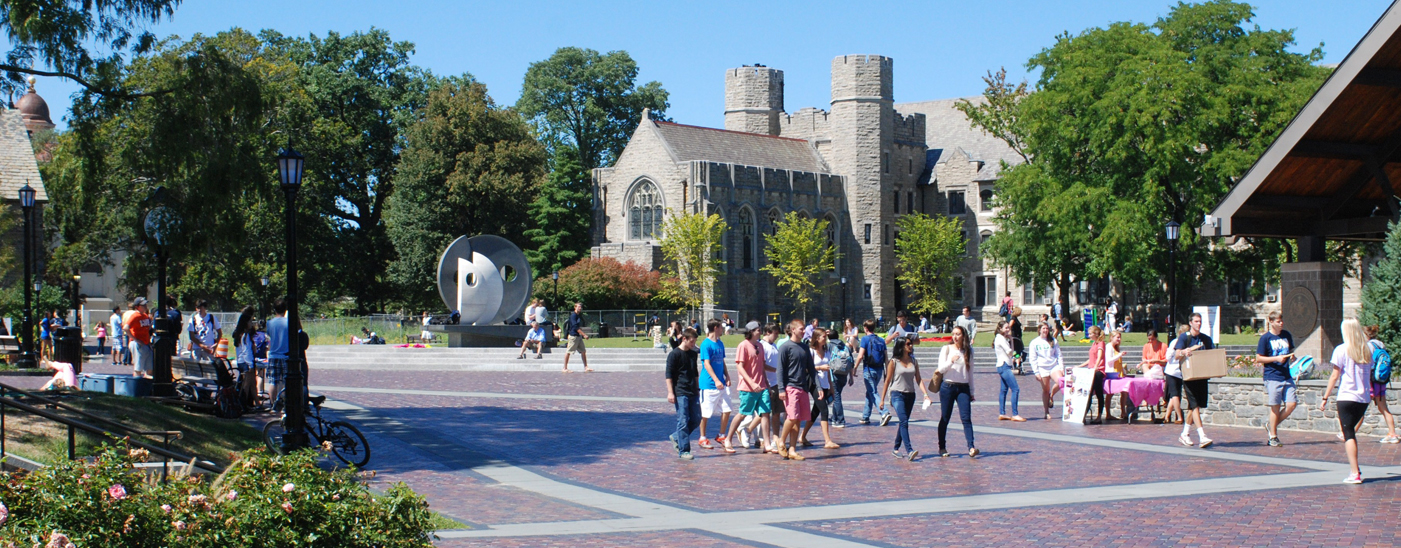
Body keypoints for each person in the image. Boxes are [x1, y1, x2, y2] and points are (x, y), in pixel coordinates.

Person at [1320, 319, 1374, 484]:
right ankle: (1355, 469)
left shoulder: (1341, 350)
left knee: (1348, 434)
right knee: (1350, 431)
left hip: (1346, 396)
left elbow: (1335, 376)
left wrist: (1325, 397)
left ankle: (1354, 472)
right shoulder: (1367, 349)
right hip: (1363, 398)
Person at [880, 337, 931, 460]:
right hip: (897, 394)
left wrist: (925, 394)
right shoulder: (894, 362)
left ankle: (896, 448)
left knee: (903, 422)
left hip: (910, 395)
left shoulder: (914, 361)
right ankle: (909, 450)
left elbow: (918, 379)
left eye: (911, 344)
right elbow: (887, 381)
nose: (911, 346)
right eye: (908, 344)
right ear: (902, 346)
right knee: (904, 421)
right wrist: (882, 400)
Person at [777, 319, 820, 461]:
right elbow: (780, 370)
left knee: (798, 420)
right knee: (792, 416)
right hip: (790, 386)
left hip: (803, 387)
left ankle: (793, 449)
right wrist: (781, 389)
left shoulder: (804, 347)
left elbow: (812, 369)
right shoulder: (785, 347)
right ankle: (781, 441)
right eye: (801, 329)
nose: (804, 331)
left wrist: (818, 386)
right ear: (793, 330)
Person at [1256, 311, 1298, 447]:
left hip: (1286, 375)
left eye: (1281, 321)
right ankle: (1273, 437)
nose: (1281, 323)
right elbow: (1259, 358)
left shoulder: (1286, 335)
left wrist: (1292, 357)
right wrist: (1276, 358)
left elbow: (1291, 351)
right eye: (1278, 321)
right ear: (1271, 322)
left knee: (1292, 404)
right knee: (1276, 406)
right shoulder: (1265, 338)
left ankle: (1270, 425)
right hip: (1272, 376)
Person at [726, 324, 770, 451]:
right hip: (747, 387)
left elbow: (761, 367)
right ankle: (728, 439)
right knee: (743, 414)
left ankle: (767, 444)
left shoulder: (760, 346)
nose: (760, 332)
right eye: (758, 330)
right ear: (751, 331)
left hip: (762, 386)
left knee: (765, 413)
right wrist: (751, 383)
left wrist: (766, 383)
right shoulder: (743, 345)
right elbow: (740, 366)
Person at [1174, 313, 1215, 448]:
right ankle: (1202, 435)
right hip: (1189, 376)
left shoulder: (1206, 339)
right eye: (1196, 321)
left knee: (1194, 406)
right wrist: (1186, 351)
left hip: (1201, 375)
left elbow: (1212, 354)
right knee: (1195, 405)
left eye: (1200, 321)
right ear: (1190, 322)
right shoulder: (1184, 337)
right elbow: (1176, 355)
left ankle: (1184, 434)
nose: (1199, 324)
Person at [937, 326, 978, 457]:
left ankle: (971, 447)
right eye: (953, 334)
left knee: (966, 418)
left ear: (963, 336)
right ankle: (942, 446)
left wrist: (971, 391)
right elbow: (941, 369)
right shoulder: (946, 349)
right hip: (948, 386)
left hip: (963, 387)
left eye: (958, 334)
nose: (955, 337)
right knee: (945, 417)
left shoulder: (968, 351)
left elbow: (970, 372)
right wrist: (950, 361)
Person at [800, 328, 840, 449]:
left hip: (825, 384)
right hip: (814, 384)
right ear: (817, 338)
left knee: (815, 412)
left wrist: (831, 386)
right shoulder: (811, 351)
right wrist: (820, 368)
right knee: (824, 410)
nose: (825, 338)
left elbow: (828, 370)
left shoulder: (826, 350)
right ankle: (827, 440)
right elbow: (806, 369)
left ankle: (802, 436)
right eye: (823, 336)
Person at [697, 319, 733, 452]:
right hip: (709, 385)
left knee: (727, 409)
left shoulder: (720, 343)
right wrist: (716, 380)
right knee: (705, 413)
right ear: (716, 328)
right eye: (721, 328)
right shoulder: (706, 344)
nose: (723, 330)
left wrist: (726, 376)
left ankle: (721, 435)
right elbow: (706, 364)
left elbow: (722, 361)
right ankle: (702, 437)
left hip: (721, 385)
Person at [665, 327, 701, 460]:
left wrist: (697, 388)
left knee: (697, 419)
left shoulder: (693, 354)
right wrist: (670, 392)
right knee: (683, 420)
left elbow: (695, 372)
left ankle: (676, 437)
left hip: (692, 390)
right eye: (692, 342)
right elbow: (668, 375)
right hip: (680, 391)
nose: (693, 345)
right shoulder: (674, 354)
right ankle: (684, 450)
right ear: (684, 339)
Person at [1364, 325, 1400, 444]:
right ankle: (1392, 433)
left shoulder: (1369, 346)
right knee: (1383, 407)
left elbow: (1367, 364)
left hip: (1372, 381)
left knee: (1362, 407)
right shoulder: (1380, 344)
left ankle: (1347, 434)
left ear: (1366, 335)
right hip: (1381, 380)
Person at [853, 320, 890, 426]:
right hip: (879, 370)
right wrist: (887, 371)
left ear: (865, 328)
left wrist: (855, 367)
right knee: (870, 392)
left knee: (873, 392)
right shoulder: (881, 340)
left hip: (869, 369)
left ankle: (884, 412)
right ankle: (865, 416)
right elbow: (886, 358)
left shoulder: (865, 339)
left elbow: (860, 356)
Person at [1029, 323, 1064, 419]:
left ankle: (1051, 395)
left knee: (1061, 381)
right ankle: (1046, 412)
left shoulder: (1053, 340)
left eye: (1047, 328)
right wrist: (1036, 372)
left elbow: (1059, 355)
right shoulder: (1034, 342)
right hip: (1042, 367)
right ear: (1039, 330)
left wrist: (1061, 367)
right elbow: (1032, 358)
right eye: (1043, 328)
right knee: (1045, 390)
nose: (1045, 330)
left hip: (1053, 365)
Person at [760, 324, 785, 454]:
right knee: (765, 413)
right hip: (768, 383)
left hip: (777, 383)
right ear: (768, 332)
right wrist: (776, 370)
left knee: (777, 413)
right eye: (775, 333)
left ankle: (776, 437)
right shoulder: (762, 346)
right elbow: (762, 365)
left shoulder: (773, 345)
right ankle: (747, 430)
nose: (776, 336)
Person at [993, 321, 1024, 422]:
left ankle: (1002, 413)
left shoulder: (1000, 338)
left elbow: (1009, 351)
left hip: (1002, 365)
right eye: (1006, 328)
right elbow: (1009, 351)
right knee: (1015, 389)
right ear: (1000, 328)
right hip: (1004, 365)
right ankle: (1015, 414)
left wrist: (1010, 339)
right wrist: (1017, 356)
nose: (1008, 330)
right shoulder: (1001, 338)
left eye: (1008, 328)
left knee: (1004, 390)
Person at [1077, 326, 1108, 423]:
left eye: (1090, 334)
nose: (1089, 335)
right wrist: (1080, 366)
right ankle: (1084, 414)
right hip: (1091, 370)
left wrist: (1096, 367)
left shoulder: (1101, 343)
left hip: (1098, 371)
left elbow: (1099, 357)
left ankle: (1098, 416)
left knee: (1097, 392)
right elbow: (1091, 359)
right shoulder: (1094, 344)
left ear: (1096, 334)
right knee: (1088, 393)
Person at [230, 306, 258, 406]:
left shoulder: (239, 335)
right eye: (250, 322)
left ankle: (257, 403)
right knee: (247, 385)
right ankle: (243, 404)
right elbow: (247, 352)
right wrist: (250, 365)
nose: (252, 324)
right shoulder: (245, 336)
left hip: (241, 361)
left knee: (251, 384)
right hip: (247, 363)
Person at [267, 298, 290, 411]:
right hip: (286, 355)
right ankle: (285, 405)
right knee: (287, 382)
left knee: (273, 381)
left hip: (273, 355)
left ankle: (273, 405)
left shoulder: (270, 323)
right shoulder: (289, 322)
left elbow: (269, 336)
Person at [1163, 325, 1189, 424]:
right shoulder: (1188, 343)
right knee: (1174, 395)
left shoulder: (1175, 342)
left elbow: (1168, 356)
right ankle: (1167, 416)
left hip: (1171, 371)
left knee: (1174, 395)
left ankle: (1179, 417)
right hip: (1180, 371)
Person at [124, 298, 154, 379]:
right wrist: (135, 339)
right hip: (138, 344)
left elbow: (149, 328)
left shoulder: (145, 316)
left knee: (150, 368)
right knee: (138, 368)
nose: (145, 306)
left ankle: (147, 387)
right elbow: (126, 327)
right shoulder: (135, 316)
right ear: (137, 307)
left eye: (145, 305)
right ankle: (137, 386)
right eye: (143, 305)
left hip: (146, 344)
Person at [828, 336, 853, 428]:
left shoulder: (829, 345)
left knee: (837, 397)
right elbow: (851, 362)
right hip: (844, 374)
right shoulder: (845, 347)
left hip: (834, 374)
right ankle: (834, 418)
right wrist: (851, 377)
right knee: (837, 396)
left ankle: (840, 420)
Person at [561, 303, 592, 373]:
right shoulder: (573, 316)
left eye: (581, 307)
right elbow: (575, 327)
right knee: (568, 352)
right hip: (573, 336)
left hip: (578, 337)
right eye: (578, 307)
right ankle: (565, 368)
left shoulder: (578, 316)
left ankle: (586, 367)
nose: (580, 308)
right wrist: (584, 334)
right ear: (575, 307)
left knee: (583, 351)